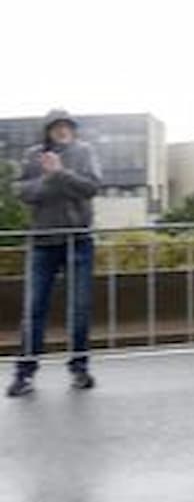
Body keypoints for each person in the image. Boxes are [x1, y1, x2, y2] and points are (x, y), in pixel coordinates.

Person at [7, 110, 102, 397]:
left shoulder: (85, 152)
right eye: (56, 127)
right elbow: (22, 191)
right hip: (43, 242)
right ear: (47, 131)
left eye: (66, 127)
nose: (61, 131)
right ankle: (24, 373)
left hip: (78, 240)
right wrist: (49, 179)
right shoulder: (34, 155)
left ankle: (79, 369)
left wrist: (61, 173)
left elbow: (91, 187)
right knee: (34, 309)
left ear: (73, 130)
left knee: (80, 308)